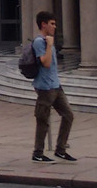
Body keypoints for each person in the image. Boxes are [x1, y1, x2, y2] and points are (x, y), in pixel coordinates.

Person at [31, 10, 76, 162]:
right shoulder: (39, 42)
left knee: (68, 115)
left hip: (55, 85)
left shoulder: (48, 41)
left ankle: (60, 149)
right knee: (42, 120)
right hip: (45, 87)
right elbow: (46, 62)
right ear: (43, 24)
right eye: (52, 24)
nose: (54, 27)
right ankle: (38, 153)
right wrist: (49, 45)